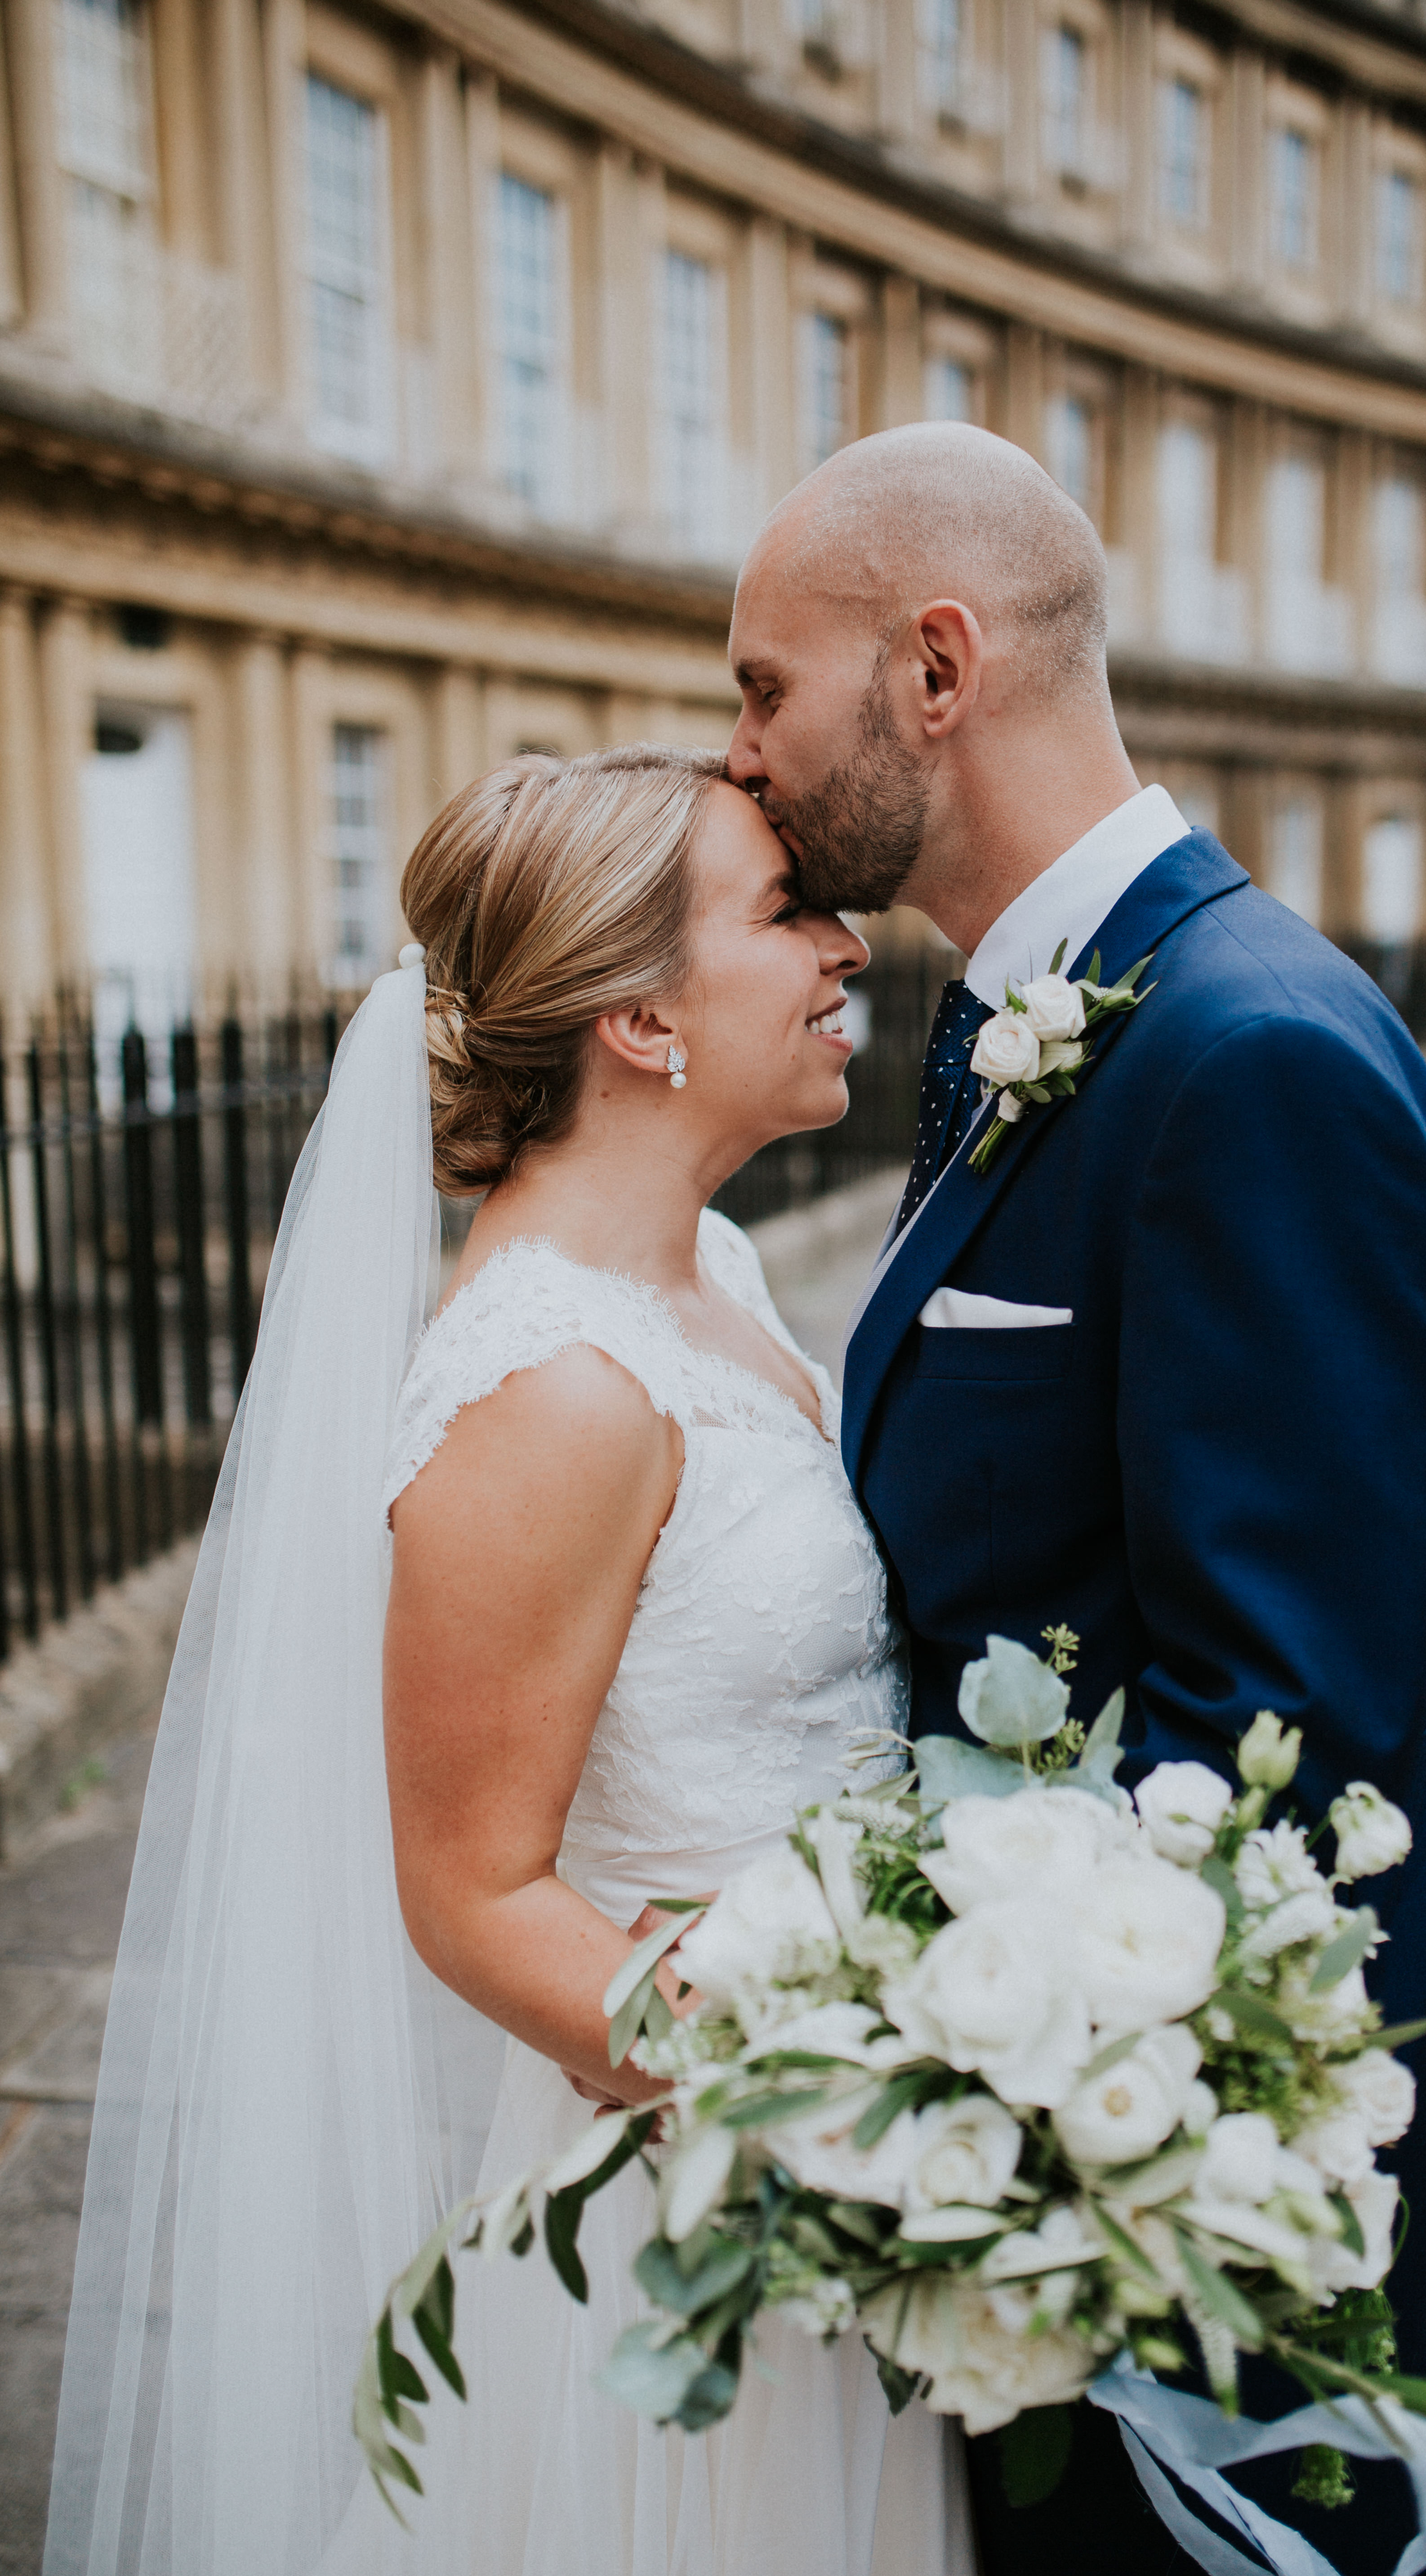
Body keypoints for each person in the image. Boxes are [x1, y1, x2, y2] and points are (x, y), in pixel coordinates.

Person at [45, 747, 975, 2576]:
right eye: (787, 910)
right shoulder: (549, 1388)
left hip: (844, 2168)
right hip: (720, 2189)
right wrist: (854, 2092)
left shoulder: (705, 1266)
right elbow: (475, 1897)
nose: (848, 944)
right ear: (639, 1013)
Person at [725, 422, 1426, 2576]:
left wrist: (908, 2031)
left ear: (936, 669)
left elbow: (1282, 1728)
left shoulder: (1248, 1057)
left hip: (1177, 2206)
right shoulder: (1029, 1022)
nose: (743, 754)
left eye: (764, 687)